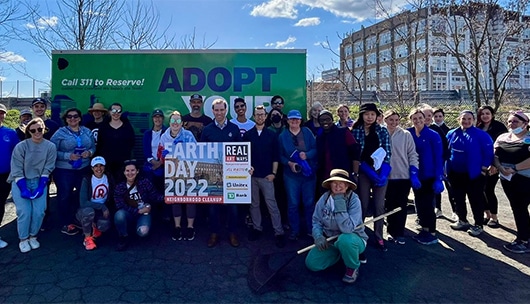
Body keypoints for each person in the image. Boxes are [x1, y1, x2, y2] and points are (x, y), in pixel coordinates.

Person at [305, 169, 367, 284]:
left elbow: (347, 229)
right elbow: (316, 221)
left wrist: (339, 201)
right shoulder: (324, 199)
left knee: (345, 240)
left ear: (347, 185)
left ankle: (352, 267)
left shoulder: (354, 200)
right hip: (331, 240)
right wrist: (318, 236)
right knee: (312, 263)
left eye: (341, 183)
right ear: (330, 184)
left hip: (353, 239)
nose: (338, 186)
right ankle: (342, 254)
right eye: (334, 183)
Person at [7, 118, 56, 252]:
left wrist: (41, 186)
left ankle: (33, 236)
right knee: (24, 211)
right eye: (33, 130)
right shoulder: (21, 146)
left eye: (39, 129)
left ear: (44, 129)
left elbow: (48, 167)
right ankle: (23, 238)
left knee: (39, 211)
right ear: (28, 131)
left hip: (40, 181)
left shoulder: (50, 146)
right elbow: (16, 169)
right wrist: (23, 188)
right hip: (20, 181)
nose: (37, 132)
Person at [200, 98, 242, 248]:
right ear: (213, 111)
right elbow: (201, 152)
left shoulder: (234, 129)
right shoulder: (207, 130)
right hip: (212, 175)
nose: (219, 112)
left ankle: (232, 233)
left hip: (231, 174)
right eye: (216, 110)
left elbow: (241, 153)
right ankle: (214, 233)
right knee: (213, 207)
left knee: (232, 206)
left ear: (226, 110)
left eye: (221, 110)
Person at [351, 103, 391, 251]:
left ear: (376, 116)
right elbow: (354, 153)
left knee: (379, 205)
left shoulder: (382, 131)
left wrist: (383, 173)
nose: (370, 117)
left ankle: (379, 236)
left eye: (372, 114)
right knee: (363, 203)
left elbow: (387, 152)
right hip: (363, 172)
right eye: (367, 114)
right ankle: (359, 233)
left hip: (380, 172)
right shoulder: (356, 131)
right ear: (362, 115)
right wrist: (356, 171)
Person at [244, 105, 285, 248]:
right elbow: (244, 156)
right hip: (252, 176)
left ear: (266, 116)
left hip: (267, 176)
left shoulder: (272, 135)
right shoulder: (248, 135)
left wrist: (273, 174)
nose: (260, 117)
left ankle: (278, 232)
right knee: (254, 204)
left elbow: (276, 156)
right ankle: (257, 228)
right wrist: (246, 169)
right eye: (257, 114)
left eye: (262, 114)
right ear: (253, 117)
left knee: (271, 204)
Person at [446, 111, 493, 236]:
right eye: (463, 118)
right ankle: (462, 220)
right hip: (455, 173)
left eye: (469, 119)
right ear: (459, 119)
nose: (466, 121)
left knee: (475, 199)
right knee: (458, 198)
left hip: (474, 174)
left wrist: (483, 169)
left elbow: (488, 153)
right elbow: (447, 151)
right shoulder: (452, 133)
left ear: (473, 120)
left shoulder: (481, 135)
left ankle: (478, 224)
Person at [51, 108, 96, 235]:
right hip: (65, 170)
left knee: (83, 196)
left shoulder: (86, 131)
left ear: (80, 118)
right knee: (64, 196)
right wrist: (67, 156)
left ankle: (80, 220)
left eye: (75, 116)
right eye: (69, 117)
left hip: (84, 168)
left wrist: (90, 153)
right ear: (65, 119)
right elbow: (51, 150)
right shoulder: (60, 132)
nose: (72, 119)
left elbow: (93, 146)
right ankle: (66, 223)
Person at [493, 111, 530, 253]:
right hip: (507, 179)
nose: (511, 124)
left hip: (525, 178)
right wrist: (500, 167)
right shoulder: (503, 137)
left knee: (521, 208)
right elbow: (495, 155)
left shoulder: (528, 138)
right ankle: (524, 236)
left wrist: (515, 168)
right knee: (517, 208)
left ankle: (523, 240)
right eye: (509, 121)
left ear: (525, 123)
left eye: (515, 122)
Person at [278, 109, 317, 240]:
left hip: (308, 174)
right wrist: (289, 163)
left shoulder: (307, 132)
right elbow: (279, 155)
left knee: (309, 203)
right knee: (293, 204)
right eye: (292, 119)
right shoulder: (282, 136)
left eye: (297, 119)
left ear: (301, 121)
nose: (294, 121)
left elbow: (316, 148)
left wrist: (307, 155)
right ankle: (295, 230)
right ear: (287, 120)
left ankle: (311, 230)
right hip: (291, 175)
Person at [407, 109, 444, 245]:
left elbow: (438, 157)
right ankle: (424, 228)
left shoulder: (433, 135)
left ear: (425, 118)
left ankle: (432, 233)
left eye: (420, 118)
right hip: (415, 175)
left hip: (429, 175)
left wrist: (438, 177)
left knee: (428, 204)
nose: (418, 121)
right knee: (419, 202)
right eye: (414, 118)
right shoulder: (409, 133)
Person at [159, 111, 197, 241]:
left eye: (178, 121)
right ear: (169, 123)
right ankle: (177, 226)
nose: (175, 123)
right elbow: (160, 156)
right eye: (173, 121)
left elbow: (197, 153)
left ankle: (190, 227)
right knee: (175, 199)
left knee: (190, 200)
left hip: (188, 170)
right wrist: (163, 156)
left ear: (182, 123)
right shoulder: (164, 137)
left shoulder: (189, 135)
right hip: (172, 172)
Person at [383, 110, 419, 245]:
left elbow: (412, 154)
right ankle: (390, 231)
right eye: (391, 119)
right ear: (385, 120)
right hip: (387, 177)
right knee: (389, 204)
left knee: (401, 204)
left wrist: (414, 172)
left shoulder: (405, 134)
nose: (394, 122)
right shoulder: (381, 133)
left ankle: (400, 232)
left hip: (403, 176)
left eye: (396, 120)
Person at [114, 160, 163, 251]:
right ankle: (123, 236)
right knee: (119, 215)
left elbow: (155, 196)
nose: (130, 173)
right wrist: (138, 211)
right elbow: (119, 205)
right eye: (127, 171)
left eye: (133, 170)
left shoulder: (145, 182)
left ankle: (138, 228)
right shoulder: (120, 186)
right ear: (124, 172)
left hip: (144, 213)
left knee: (143, 232)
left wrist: (169, 197)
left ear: (137, 171)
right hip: (129, 213)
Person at [476, 105, 508, 228]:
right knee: (480, 190)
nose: (485, 116)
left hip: (493, 164)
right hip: (480, 164)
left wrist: (496, 165)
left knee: (489, 190)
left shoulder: (499, 127)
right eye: (482, 114)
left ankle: (494, 217)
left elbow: (502, 147)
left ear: (492, 114)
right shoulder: (478, 127)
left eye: (487, 113)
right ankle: (487, 214)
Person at [316, 110, 360, 194]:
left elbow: (355, 152)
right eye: (322, 120)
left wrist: (355, 173)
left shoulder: (343, 132)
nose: (325, 122)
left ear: (332, 120)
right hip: (325, 176)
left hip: (344, 175)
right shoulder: (319, 137)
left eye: (328, 119)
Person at [419, 103, 451, 219]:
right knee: (419, 196)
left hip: (433, 169)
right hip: (418, 169)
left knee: (430, 195)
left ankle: (430, 220)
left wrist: (441, 167)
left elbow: (445, 149)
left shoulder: (436, 130)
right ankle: (420, 217)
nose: (428, 117)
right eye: (425, 115)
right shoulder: (414, 130)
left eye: (430, 115)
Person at [76, 156, 114, 250]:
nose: (99, 168)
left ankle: (95, 227)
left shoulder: (108, 178)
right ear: (92, 168)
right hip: (88, 209)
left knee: (104, 225)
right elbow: (83, 202)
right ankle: (87, 238)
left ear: (104, 167)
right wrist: (102, 206)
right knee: (88, 212)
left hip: (101, 210)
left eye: (101, 166)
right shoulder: (87, 180)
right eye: (96, 166)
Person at [96, 103, 135, 180]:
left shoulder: (127, 127)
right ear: (110, 112)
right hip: (108, 164)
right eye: (114, 110)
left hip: (123, 163)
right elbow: (100, 144)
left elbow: (132, 142)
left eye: (119, 111)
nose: (116, 113)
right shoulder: (104, 127)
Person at [0, 103, 19, 249]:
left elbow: (17, 154)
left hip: (5, 175)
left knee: (0, 204)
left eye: (1, 113)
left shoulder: (10, 133)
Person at [142, 109, 167, 191]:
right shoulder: (147, 133)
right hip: (150, 163)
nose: (157, 119)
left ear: (163, 119)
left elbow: (168, 149)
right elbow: (146, 151)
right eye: (155, 117)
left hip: (164, 164)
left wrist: (159, 163)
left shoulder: (167, 132)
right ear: (152, 119)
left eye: (160, 117)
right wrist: (154, 162)